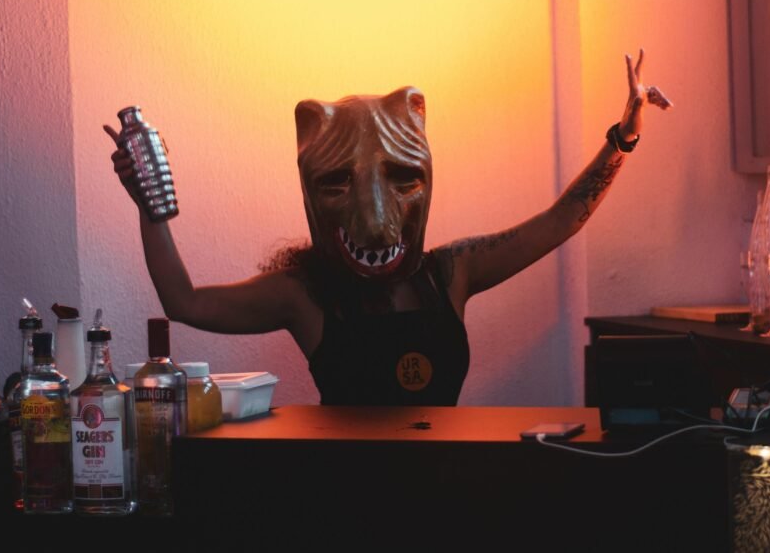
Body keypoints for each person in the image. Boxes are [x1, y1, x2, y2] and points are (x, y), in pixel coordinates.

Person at [104, 50, 671, 405]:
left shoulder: (451, 272)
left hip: (442, 501)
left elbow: (561, 220)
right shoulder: (305, 296)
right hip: (349, 509)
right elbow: (184, 302)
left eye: (402, 178)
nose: (375, 218)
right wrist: (148, 205)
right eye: (337, 184)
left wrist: (624, 136)